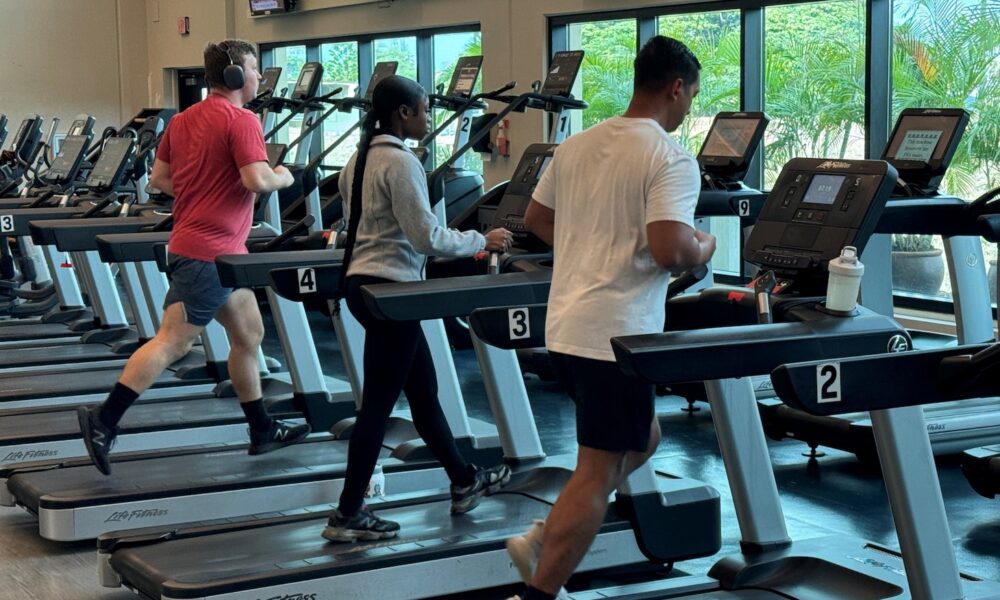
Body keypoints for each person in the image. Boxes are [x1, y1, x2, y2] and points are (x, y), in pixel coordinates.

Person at [505, 36, 716, 600]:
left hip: (569, 326)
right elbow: (671, 249)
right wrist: (706, 245)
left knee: (643, 436)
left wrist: (592, 244)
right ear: (676, 88)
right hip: (616, 336)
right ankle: (539, 585)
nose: (690, 104)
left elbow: (535, 217)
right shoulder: (669, 155)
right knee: (598, 470)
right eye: (691, 94)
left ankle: (552, 530)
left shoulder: (577, 145)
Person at [78, 39, 310, 476]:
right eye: (254, 68)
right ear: (236, 76)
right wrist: (283, 175)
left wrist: (203, 187)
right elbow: (257, 179)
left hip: (215, 252)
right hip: (209, 253)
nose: (259, 76)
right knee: (173, 341)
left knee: (250, 335)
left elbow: (160, 179)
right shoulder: (242, 120)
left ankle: (261, 429)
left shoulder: (183, 121)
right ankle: (104, 420)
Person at [322, 75, 515, 542]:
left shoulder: (358, 158)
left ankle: (464, 480)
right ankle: (348, 514)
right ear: (403, 114)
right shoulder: (400, 163)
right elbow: (425, 237)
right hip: (393, 294)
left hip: (362, 286)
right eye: (423, 109)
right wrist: (479, 241)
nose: (427, 118)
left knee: (424, 393)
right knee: (378, 409)